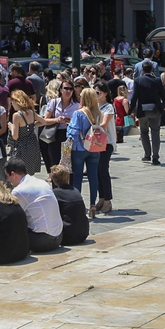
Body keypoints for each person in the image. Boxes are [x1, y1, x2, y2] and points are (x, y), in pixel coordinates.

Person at [4, 158, 63, 253]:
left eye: (7, 176)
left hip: (43, 240)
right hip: (58, 237)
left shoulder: (19, 190)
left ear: (13, 174)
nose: (8, 180)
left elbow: (12, 216)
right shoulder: (41, 182)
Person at [66, 88, 102, 218]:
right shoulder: (97, 113)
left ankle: (78, 206)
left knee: (77, 177)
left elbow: (73, 131)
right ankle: (92, 204)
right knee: (93, 176)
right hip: (94, 147)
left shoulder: (78, 113)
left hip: (79, 148)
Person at [129, 60, 165, 165]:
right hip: (155, 110)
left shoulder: (138, 80)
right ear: (152, 70)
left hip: (142, 110)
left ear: (142, 70)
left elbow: (134, 96)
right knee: (155, 132)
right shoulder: (157, 80)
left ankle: (147, 155)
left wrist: (131, 109)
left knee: (144, 132)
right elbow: (163, 95)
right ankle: (155, 157)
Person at [8, 90, 47, 175]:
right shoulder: (31, 112)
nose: (12, 104)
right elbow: (44, 122)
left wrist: (12, 128)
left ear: (16, 101)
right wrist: (32, 125)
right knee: (30, 171)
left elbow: (15, 136)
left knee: (19, 171)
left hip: (22, 146)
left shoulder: (17, 115)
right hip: (33, 144)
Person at [49, 165, 89, 245]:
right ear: (68, 178)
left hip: (67, 236)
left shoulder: (55, 193)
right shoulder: (75, 191)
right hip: (84, 233)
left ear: (53, 180)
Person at [93, 82, 116, 214]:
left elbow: (104, 124)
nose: (96, 95)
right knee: (96, 171)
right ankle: (101, 198)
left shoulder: (108, 107)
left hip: (106, 143)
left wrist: (92, 125)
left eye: (98, 93)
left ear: (105, 94)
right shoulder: (95, 106)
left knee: (103, 170)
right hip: (96, 142)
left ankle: (108, 200)